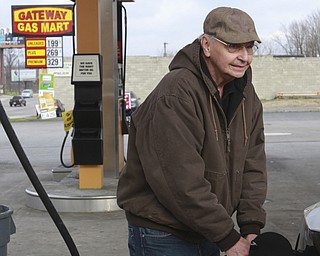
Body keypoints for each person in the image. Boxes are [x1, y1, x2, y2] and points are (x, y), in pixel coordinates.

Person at [117, 6, 267, 256]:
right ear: (206, 45)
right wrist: (227, 237)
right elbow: (179, 179)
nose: (244, 56)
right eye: (233, 47)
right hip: (163, 232)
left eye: (249, 47)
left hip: (206, 227)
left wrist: (250, 222)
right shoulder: (176, 95)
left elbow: (252, 164)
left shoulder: (245, 95)